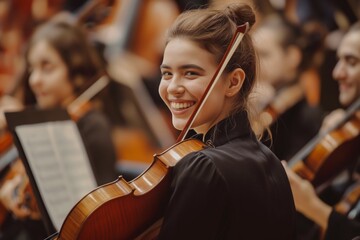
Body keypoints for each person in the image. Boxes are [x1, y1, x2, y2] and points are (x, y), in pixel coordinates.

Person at [157, 3, 296, 239]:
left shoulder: (204, 167)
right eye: (167, 73)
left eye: (191, 73)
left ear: (233, 82)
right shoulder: (270, 161)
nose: (173, 88)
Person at [0, 19, 118, 240]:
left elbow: (103, 218)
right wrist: (9, 191)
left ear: (76, 73)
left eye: (47, 67)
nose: (34, 80)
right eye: (32, 68)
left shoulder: (92, 126)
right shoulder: (39, 118)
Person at [282, 21, 360, 240]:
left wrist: (310, 205)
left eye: (351, 62)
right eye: (338, 61)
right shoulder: (349, 131)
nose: (336, 73)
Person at [253, 13, 324, 161]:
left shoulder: (307, 117)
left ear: (293, 57)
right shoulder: (258, 102)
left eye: (264, 55)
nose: (256, 64)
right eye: (254, 55)